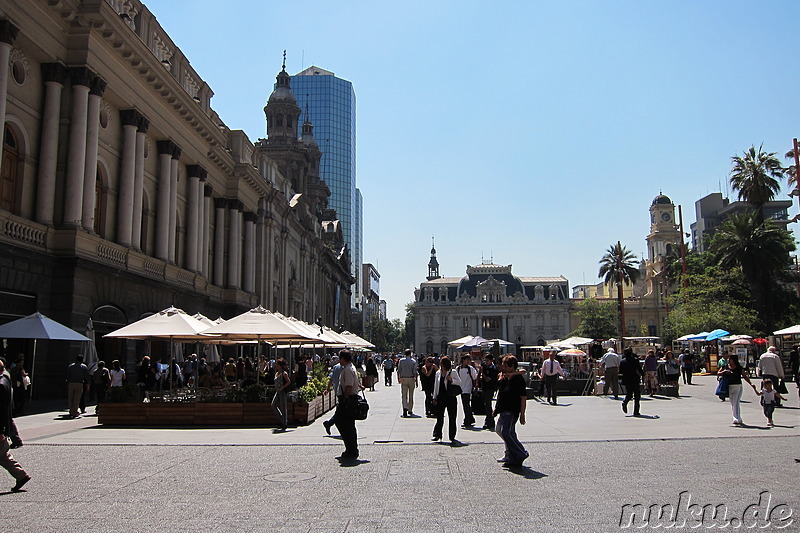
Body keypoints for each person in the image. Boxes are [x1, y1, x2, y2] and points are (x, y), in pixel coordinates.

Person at [493, 355, 528, 467]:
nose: (503, 368)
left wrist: (522, 414)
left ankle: (521, 452)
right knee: (501, 431)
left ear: (512, 367)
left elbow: (523, 397)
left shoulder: (518, 379)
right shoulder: (503, 377)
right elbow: (500, 393)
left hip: (512, 410)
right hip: (503, 409)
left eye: (505, 366)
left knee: (506, 432)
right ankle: (511, 455)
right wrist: (496, 408)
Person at [0, 359, 30, 492]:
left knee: (3, 455)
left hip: (1, 427)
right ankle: (21, 475)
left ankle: (21, 475)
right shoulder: (5, 379)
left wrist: (1, 430)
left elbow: (0, 410)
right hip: (3, 427)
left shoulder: (1, 384)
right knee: (3, 456)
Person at [334, 350, 361, 458]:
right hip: (348, 399)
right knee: (345, 424)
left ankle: (352, 449)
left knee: (346, 425)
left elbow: (349, 386)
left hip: (348, 400)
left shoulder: (348, 370)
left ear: (342, 358)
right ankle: (350, 448)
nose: (339, 360)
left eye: (339, 358)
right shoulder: (349, 368)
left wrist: (345, 399)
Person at [431, 356, 462, 445]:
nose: (440, 364)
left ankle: (452, 436)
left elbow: (459, 382)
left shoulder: (453, 372)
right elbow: (436, 385)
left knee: (452, 417)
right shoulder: (438, 373)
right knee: (439, 416)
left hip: (451, 397)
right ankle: (437, 434)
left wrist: (451, 380)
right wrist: (434, 397)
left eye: (441, 363)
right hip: (441, 397)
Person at [718, 353, 754, 426]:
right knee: (732, 403)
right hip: (729, 386)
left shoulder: (739, 368)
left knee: (736, 402)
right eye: (729, 359)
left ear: (734, 360)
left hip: (737, 386)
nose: (729, 360)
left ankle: (736, 418)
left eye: (730, 359)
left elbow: (745, 376)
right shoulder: (725, 366)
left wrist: (751, 383)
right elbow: (718, 373)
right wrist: (724, 372)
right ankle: (737, 418)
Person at [619, 348, 644, 417]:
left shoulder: (622, 361)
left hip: (626, 379)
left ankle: (625, 402)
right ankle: (636, 411)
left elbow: (620, 371)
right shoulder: (635, 360)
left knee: (629, 394)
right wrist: (643, 374)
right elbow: (639, 369)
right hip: (635, 379)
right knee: (637, 395)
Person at [322, 357, 343, 435]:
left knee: (341, 410)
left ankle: (329, 423)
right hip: (343, 392)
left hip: (338, 391)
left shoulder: (335, 367)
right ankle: (329, 423)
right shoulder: (345, 367)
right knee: (341, 411)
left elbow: (331, 379)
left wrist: (327, 389)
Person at [479, 353, 499, 430]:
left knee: (488, 404)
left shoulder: (494, 369)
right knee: (486, 405)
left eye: (487, 360)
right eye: (485, 360)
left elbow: (487, 379)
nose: (486, 362)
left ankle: (489, 421)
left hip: (490, 388)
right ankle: (489, 420)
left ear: (491, 361)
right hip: (484, 387)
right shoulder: (484, 365)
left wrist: (482, 372)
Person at [457, 355, 478, 427]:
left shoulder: (470, 369)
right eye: (467, 360)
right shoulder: (458, 368)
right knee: (465, 405)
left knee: (466, 405)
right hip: (461, 389)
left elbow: (475, 378)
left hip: (468, 389)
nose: (468, 361)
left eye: (469, 360)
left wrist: (476, 387)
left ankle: (467, 419)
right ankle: (470, 418)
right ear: (463, 360)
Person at [397, 349, 418, 417]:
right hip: (411, 378)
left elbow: (399, 370)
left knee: (404, 395)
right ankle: (410, 409)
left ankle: (404, 409)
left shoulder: (401, 361)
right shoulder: (413, 361)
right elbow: (415, 372)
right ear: (410, 354)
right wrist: (416, 381)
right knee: (411, 395)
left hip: (403, 378)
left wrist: (398, 378)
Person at [271, 358, 290, 431]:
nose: (276, 365)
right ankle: (282, 419)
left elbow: (289, 382)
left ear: (280, 365)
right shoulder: (277, 373)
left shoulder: (284, 373)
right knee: (273, 405)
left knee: (283, 406)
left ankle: (284, 423)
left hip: (282, 391)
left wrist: (282, 387)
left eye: (277, 364)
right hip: (277, 391)